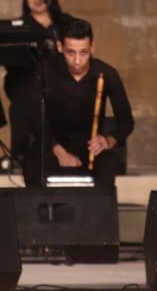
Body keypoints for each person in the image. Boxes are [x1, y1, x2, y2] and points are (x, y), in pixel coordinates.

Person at [19, 19, 132, 191]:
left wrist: (108, 141)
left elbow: (126, 122)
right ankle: (41, 208)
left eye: (84, 53)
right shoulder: (45, 71)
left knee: (108, 162)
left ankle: (97, 209)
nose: (77, 61)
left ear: (92, 47)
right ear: (60, 47)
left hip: (90, 146)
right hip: (52, 145)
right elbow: (33, 118)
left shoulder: (107, 74)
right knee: (31, 163)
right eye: (70, 53)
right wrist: (60, 152)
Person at [5, 0, 72, 164]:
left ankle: (55, 149)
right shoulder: (18, 27)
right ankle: (22, 154)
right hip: (27, 83)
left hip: (60, 80)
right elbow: (12, 64)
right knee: (24, 99)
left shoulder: (65, 24)